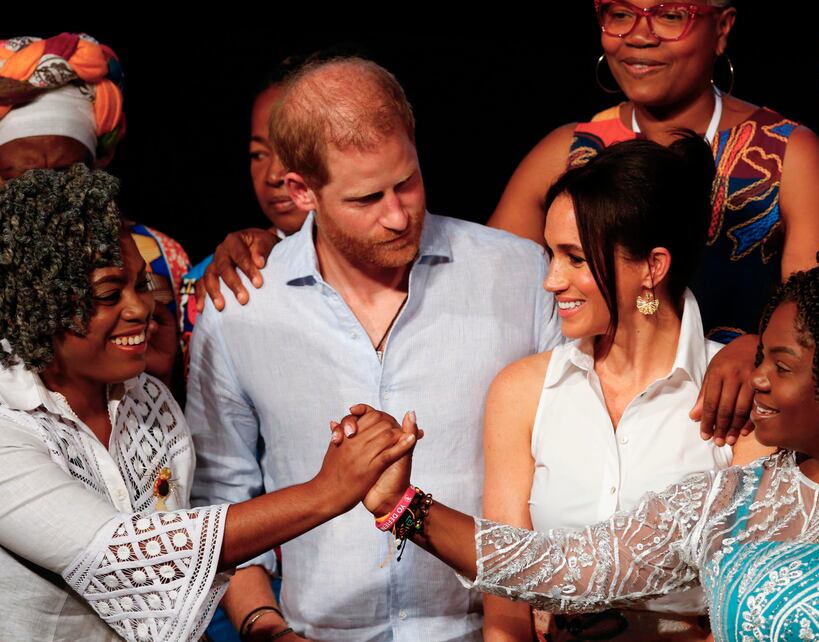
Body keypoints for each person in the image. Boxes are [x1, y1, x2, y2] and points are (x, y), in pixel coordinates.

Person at [342, 247, 819, 641]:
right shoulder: (722, 502)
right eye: (759, 355)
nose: (756, 378)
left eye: (782, 366)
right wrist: (405, 509)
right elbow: (560, 567)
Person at [186, 56, 561, 642]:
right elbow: (220, 508)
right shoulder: (240, 309)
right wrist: (265, 627)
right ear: (301, 190)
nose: (398, 215)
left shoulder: (520, 275)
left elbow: (567, 471)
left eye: (407, 181)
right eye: (366, 199)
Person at [0, 165, 418, 642]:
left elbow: (170, 600)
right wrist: (327, 491)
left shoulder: (146, 400)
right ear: (34, 305)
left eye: (141, 285)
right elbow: (126, 557)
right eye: (109, 294)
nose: (140, 308)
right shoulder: (7, 422)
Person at [481, 0, 819, 448]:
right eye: (620, 15)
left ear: (722, 29)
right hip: (593, 426)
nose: (640, 35)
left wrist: (761, 350)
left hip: (737, 434)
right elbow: (492, 305)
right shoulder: (564, 154)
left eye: (670, 15)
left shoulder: (787, 155)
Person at [483, 135, 762, 641]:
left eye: (575, 258)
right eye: (551, 254)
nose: (551, 280)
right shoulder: (521, 392)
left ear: (652, 267)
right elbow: (505, 596)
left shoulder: (736, 393)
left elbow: (755, 591)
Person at [0, 32, 190, 387]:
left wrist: (159, 380)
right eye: (21, 179)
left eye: (66, 174)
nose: (47, 197)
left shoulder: (157, 257)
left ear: (97, 171)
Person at [178, 56, 310, 371]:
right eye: (259, 154)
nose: (273, 175)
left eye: (292, 149)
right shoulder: (210, 280)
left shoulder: (380, 263)